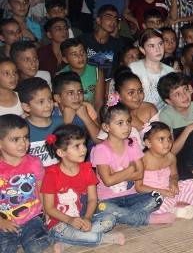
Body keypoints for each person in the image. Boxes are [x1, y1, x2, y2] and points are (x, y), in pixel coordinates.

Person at [41, 125, 124, 251]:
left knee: (109, 219)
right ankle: (102, 238)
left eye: (84, 144)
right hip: (59, 223)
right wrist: (70, 220)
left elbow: (92, 199)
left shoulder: (86, 169)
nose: (83, 149)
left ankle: (70, 241)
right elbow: (49, 208)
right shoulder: (51, 174)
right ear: (61, 152)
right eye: (77, 146)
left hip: (83, 217)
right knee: (61, 231)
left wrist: (87, 218)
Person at [90, 95, 170, 226]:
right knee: (103, 208)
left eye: (128, 121)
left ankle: (123, 216)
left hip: (132, 197)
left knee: (156, 197)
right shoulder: (101, 150)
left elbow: (140, 174)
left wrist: (117, 175)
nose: (126, 127)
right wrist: (132, 168)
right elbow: (108, 181)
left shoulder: (132, 144)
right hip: (108, 200)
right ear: (106, 127)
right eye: (120, 123)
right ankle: (146, 219)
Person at [0, 113, 52, 253]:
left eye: (26, 137)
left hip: (33, 218)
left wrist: (48, 212)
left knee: (36, 247)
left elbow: (42, 189)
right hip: (5, 221)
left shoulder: (34, 162)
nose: (23, 143)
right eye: (15, 139)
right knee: (5, 248)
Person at [135, 121, 193, 219]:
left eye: (169, 138)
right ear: (148, 143)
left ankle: (181, 204)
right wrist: (162, 192)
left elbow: (174, 175)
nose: (167, 143)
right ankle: (183, 205)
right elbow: (139, 187)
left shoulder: (171, 157)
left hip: (168, 190)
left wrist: (173, 182)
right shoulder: (142, 160)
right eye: (161, 139)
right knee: (153, 204)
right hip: (151, 194)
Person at [156, 72, 193, 180]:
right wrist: (189, 129)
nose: (184, 96)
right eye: (177, 94)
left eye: (185, 89)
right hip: (178, 154)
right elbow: (170, 151)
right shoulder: (166, 115)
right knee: (185, 178)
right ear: (169, 101)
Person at [129, 30, 174, 111]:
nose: (158, 49)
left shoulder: (170, 71)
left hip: (163, 115)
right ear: (142, 50)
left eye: (160, 44)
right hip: (138, 113)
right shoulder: (133, 68)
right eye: (152, 46)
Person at [58, 38, 106, 113]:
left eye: (82, 52)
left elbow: (98, 103)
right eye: (74, 54)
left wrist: (96, 119)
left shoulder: (97, 72)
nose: (80, 57)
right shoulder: (59, 77)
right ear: (65, 59)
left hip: (92, 114)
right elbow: (61, 105)